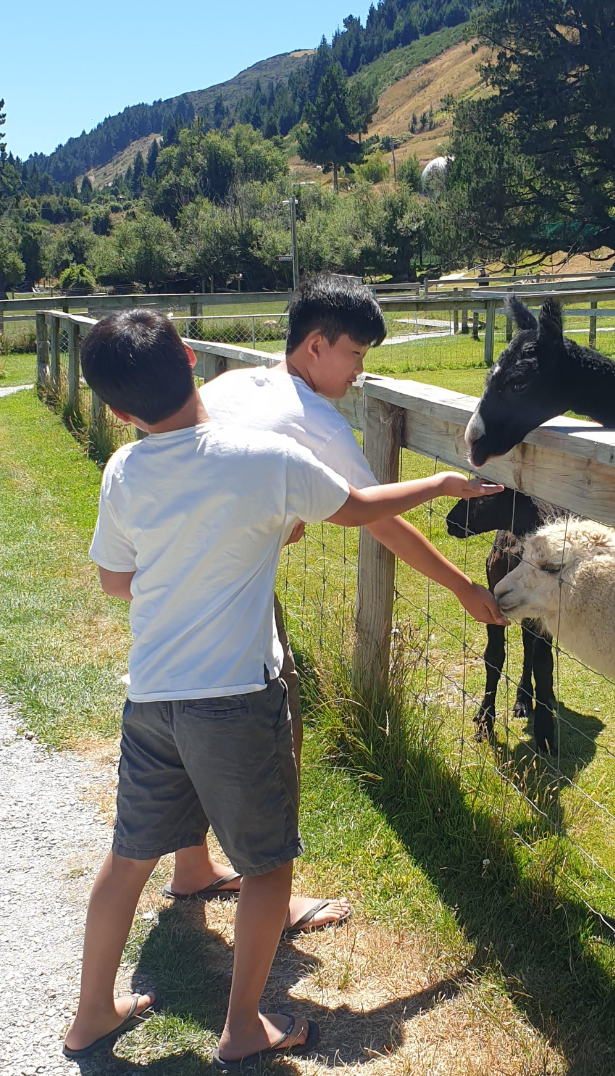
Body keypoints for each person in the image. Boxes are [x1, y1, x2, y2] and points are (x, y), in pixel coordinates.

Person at [63, 309, 501, 1068]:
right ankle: (242, 1027)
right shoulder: (263, 458)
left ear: (117, 411)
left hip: (152, 697)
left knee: (127, 857)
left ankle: (91, 1013)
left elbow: (114, 580)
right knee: (267, 867)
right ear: (193, 360)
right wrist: (439, 483)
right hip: (235, 699)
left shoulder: (124, 470)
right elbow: (359, 510)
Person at [165, 274, 507, 934]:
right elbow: (380, 520)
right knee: (276, 728)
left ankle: (191, 865)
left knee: (185, 723)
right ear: (316, 346)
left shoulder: (234, 383)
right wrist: (463, 587)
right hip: (234, 594)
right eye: (355, 354)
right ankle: (273, 893)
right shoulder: (314, 419)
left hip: (171, 587)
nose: (359, 372)